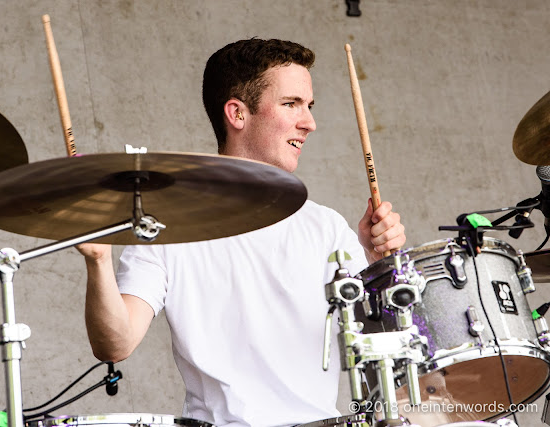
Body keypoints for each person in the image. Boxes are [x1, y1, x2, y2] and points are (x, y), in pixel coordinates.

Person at [78, 38, 405, 427]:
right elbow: (114, 344)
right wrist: (99, 262)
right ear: (237, 113)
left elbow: (384, 352)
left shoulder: (325, 227)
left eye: (309, 106)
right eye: (291, 104)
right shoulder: (166, 226)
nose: (310, 122)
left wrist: (380, 266)